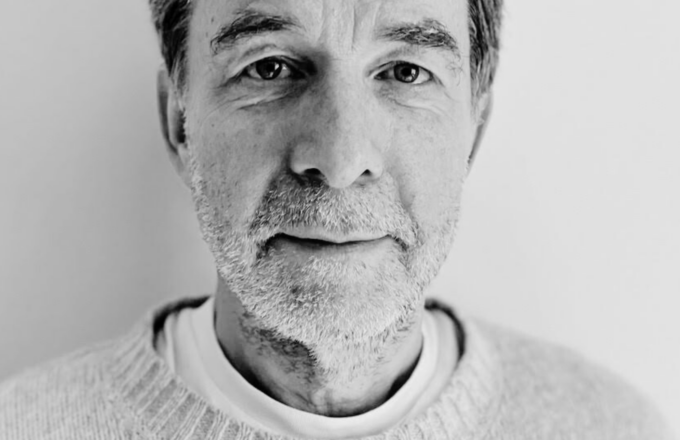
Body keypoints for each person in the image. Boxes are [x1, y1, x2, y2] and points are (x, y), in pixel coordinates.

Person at [0, 0, 675, 438]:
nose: (340, 159)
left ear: (474, 130)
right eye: (269, 66)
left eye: (405, 72)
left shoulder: (613, 427)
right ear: (179, 122)